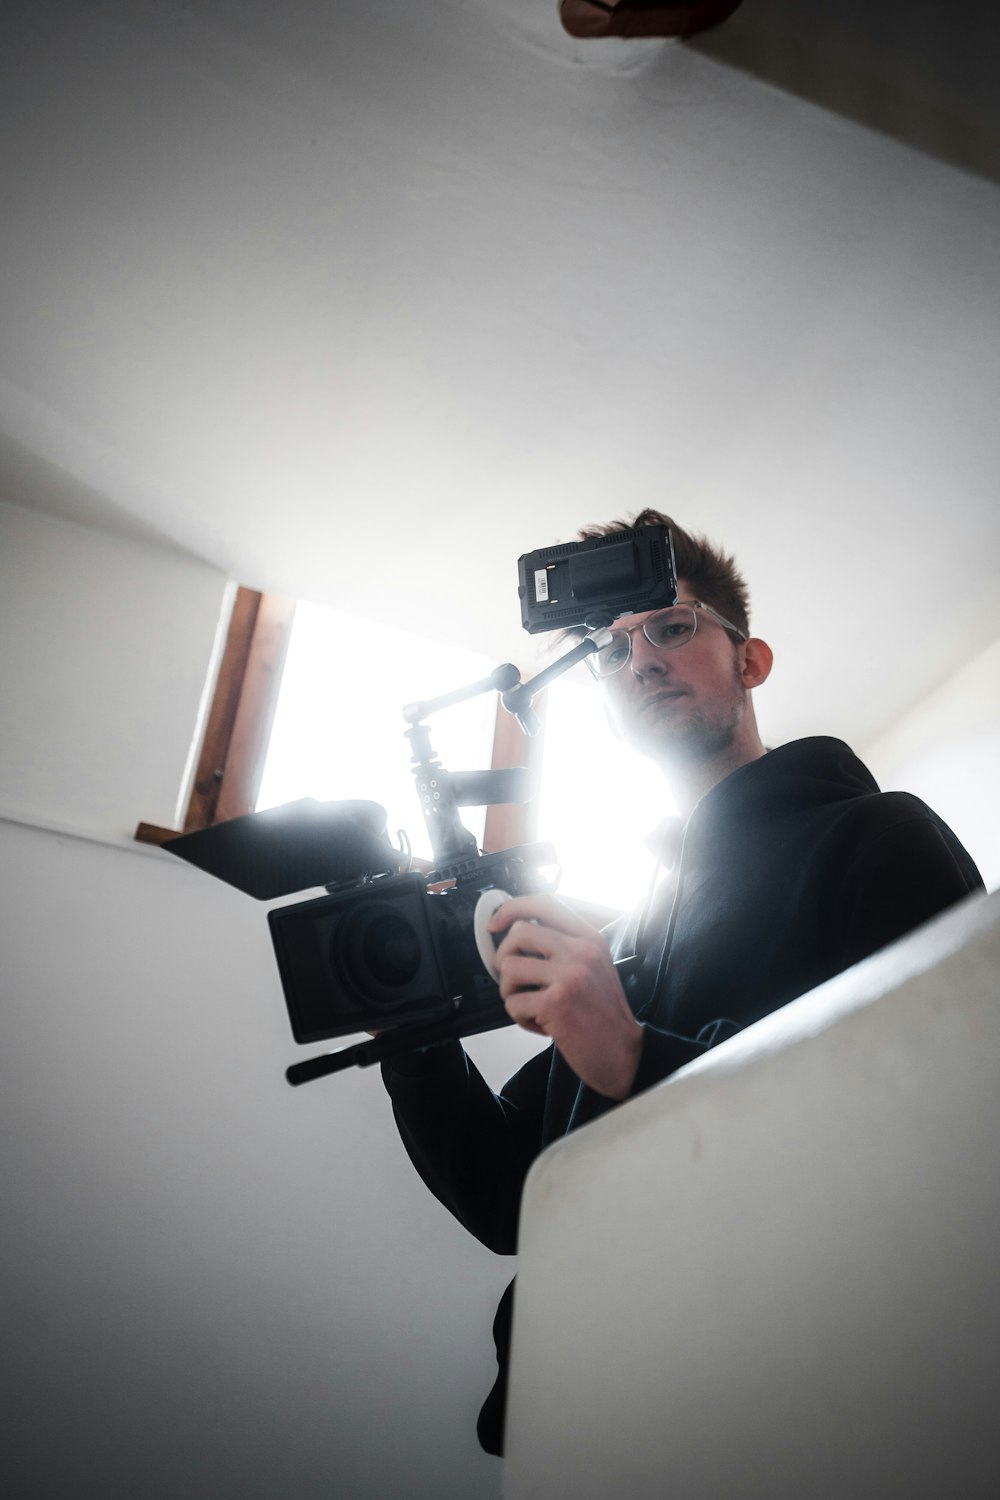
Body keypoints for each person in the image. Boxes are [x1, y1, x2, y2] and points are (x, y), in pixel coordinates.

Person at [381, 509, 984, 1456]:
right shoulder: (627, 937)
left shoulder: (878, 836)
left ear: (751, 661)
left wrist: (629, 1054)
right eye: (611, 652)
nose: (641, 663)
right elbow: (507, 1199)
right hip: (578, 1412)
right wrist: (409, 1022)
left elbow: (951, 1138)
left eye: (670, 627)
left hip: (807, 1405)